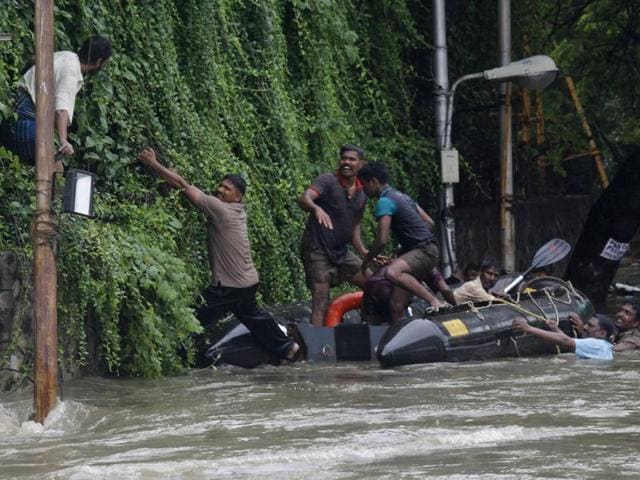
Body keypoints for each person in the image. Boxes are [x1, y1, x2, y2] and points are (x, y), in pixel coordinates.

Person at [137, 148, 299, 363]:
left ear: (237, 196)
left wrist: (154, 164)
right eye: (220, 185)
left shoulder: (219, 209)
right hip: (248, 281)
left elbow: (183, 185)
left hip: (228, 287)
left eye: (226, 188)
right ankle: (289, 348)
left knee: (192, 318)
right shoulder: (238, 210)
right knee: (254, 317)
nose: (219, 189)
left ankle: (174, 356)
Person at [357, 162, 445, 323]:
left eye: (364, 185)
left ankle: (434, 301)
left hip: (424, 250)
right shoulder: (402, 196)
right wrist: (405, 249)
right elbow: (429, 223)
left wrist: (367, 260)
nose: (363, 189)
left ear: (373, 182)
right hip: (426, 249)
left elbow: (381, 240)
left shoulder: (384, 201)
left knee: (392, 272)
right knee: (396, 305)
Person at [3, 35, 112, 163]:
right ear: (99, 61)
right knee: (51, 165)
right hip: (26, 118)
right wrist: (63, 141)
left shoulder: (66, 55)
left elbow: (34, 60)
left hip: (11, 106)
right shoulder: (71, 73)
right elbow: (61, 110)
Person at [298, 144, 369, 327]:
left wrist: (362, 250)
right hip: (318, 250)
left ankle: (370, 328)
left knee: (373, 284)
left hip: (342, 252)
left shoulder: (362, 192)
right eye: (344, 158)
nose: (346, 162)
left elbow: (355, 224)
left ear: (361, 164)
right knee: (321, 300)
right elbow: (305, 198)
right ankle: (319, 349)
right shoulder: (328, 180)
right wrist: (316, 208)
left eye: (352, 159)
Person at [512, 314, 614, 360]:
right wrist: (556, 330)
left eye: (590, 326)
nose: (585, 327)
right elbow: (571, 342)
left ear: (602, 333)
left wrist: (528, 328)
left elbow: (565, 340)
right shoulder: (604, 346)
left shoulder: (596, 344)